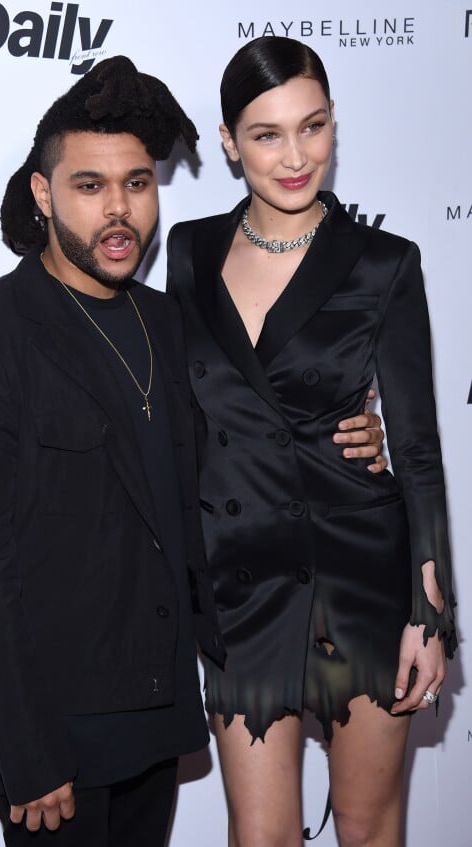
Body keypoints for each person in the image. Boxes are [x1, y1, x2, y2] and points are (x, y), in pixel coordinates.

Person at [0, 53, 385, 847]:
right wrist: (25, 749)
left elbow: (245, 453)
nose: (119, 211)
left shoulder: (170, 326)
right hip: (53, 736)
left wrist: (350, 438)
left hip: (158, 717)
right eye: (89, 186)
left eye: (137, 183)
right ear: (43, 193)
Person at [166, 36, 456, 847]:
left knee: (367, 829)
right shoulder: (187, 256)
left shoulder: (385, 264)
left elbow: (421, 452)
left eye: (314, 126)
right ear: (228, 143)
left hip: (362, 580)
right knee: (260, 837)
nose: (296, 156)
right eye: (266, 134)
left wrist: (429, 615)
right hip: (243, 585)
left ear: (334, 125)